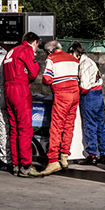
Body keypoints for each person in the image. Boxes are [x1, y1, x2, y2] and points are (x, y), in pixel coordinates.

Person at [3, 32, 42, 177]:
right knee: (25, 128)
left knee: (14, 129)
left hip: (8, 91)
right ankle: (26, 165)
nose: (37, 49)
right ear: (34, 42)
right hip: (20, 90)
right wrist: (28, 73)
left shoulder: (10, 52)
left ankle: (15, 164)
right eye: (37, 45)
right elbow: (34, 71)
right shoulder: (26, 50)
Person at [40, 40, 80, 176]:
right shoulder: (73, 59)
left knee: (56, 127)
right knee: (69, 126)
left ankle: (52, 161)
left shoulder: (51, 58)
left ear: (49, 51)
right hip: (75, 94)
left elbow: (47, 78)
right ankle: (64, 157)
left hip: (62, 94)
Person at [68, 42, 105, 165]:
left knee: (89, 125)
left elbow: (84, 87)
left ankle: (92, 154)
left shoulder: (84, 64)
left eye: (71, 54)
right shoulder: (91, 61)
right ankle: (104, 153)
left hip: (90, 96)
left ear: (76, 52)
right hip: (99, 94)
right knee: (100, 125)